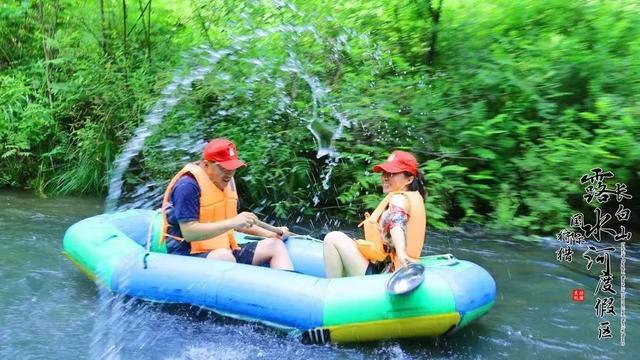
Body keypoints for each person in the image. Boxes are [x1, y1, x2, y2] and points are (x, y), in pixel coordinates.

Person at [160, 138, 294, 270]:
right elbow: (189, 233)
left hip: (222, 250)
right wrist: (234, 222)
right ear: (206, 165)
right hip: (188, 256)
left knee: (275, 245)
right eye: (223, 168)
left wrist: (269, 233)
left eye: (232, 167)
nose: (229, 173)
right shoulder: (187, 186)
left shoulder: (226, 182)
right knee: (224, 256)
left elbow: (233, 222)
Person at [323, 150, 427, 278]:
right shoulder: (411, 197)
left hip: (387, 275)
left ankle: (333, 292)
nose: (385, 177)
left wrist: (400, 252)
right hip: (388, 267)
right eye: (384, 172)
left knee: (332, 238)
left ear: (409, 179)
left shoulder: (399, 199)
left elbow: (397, 224)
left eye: (392, 173)